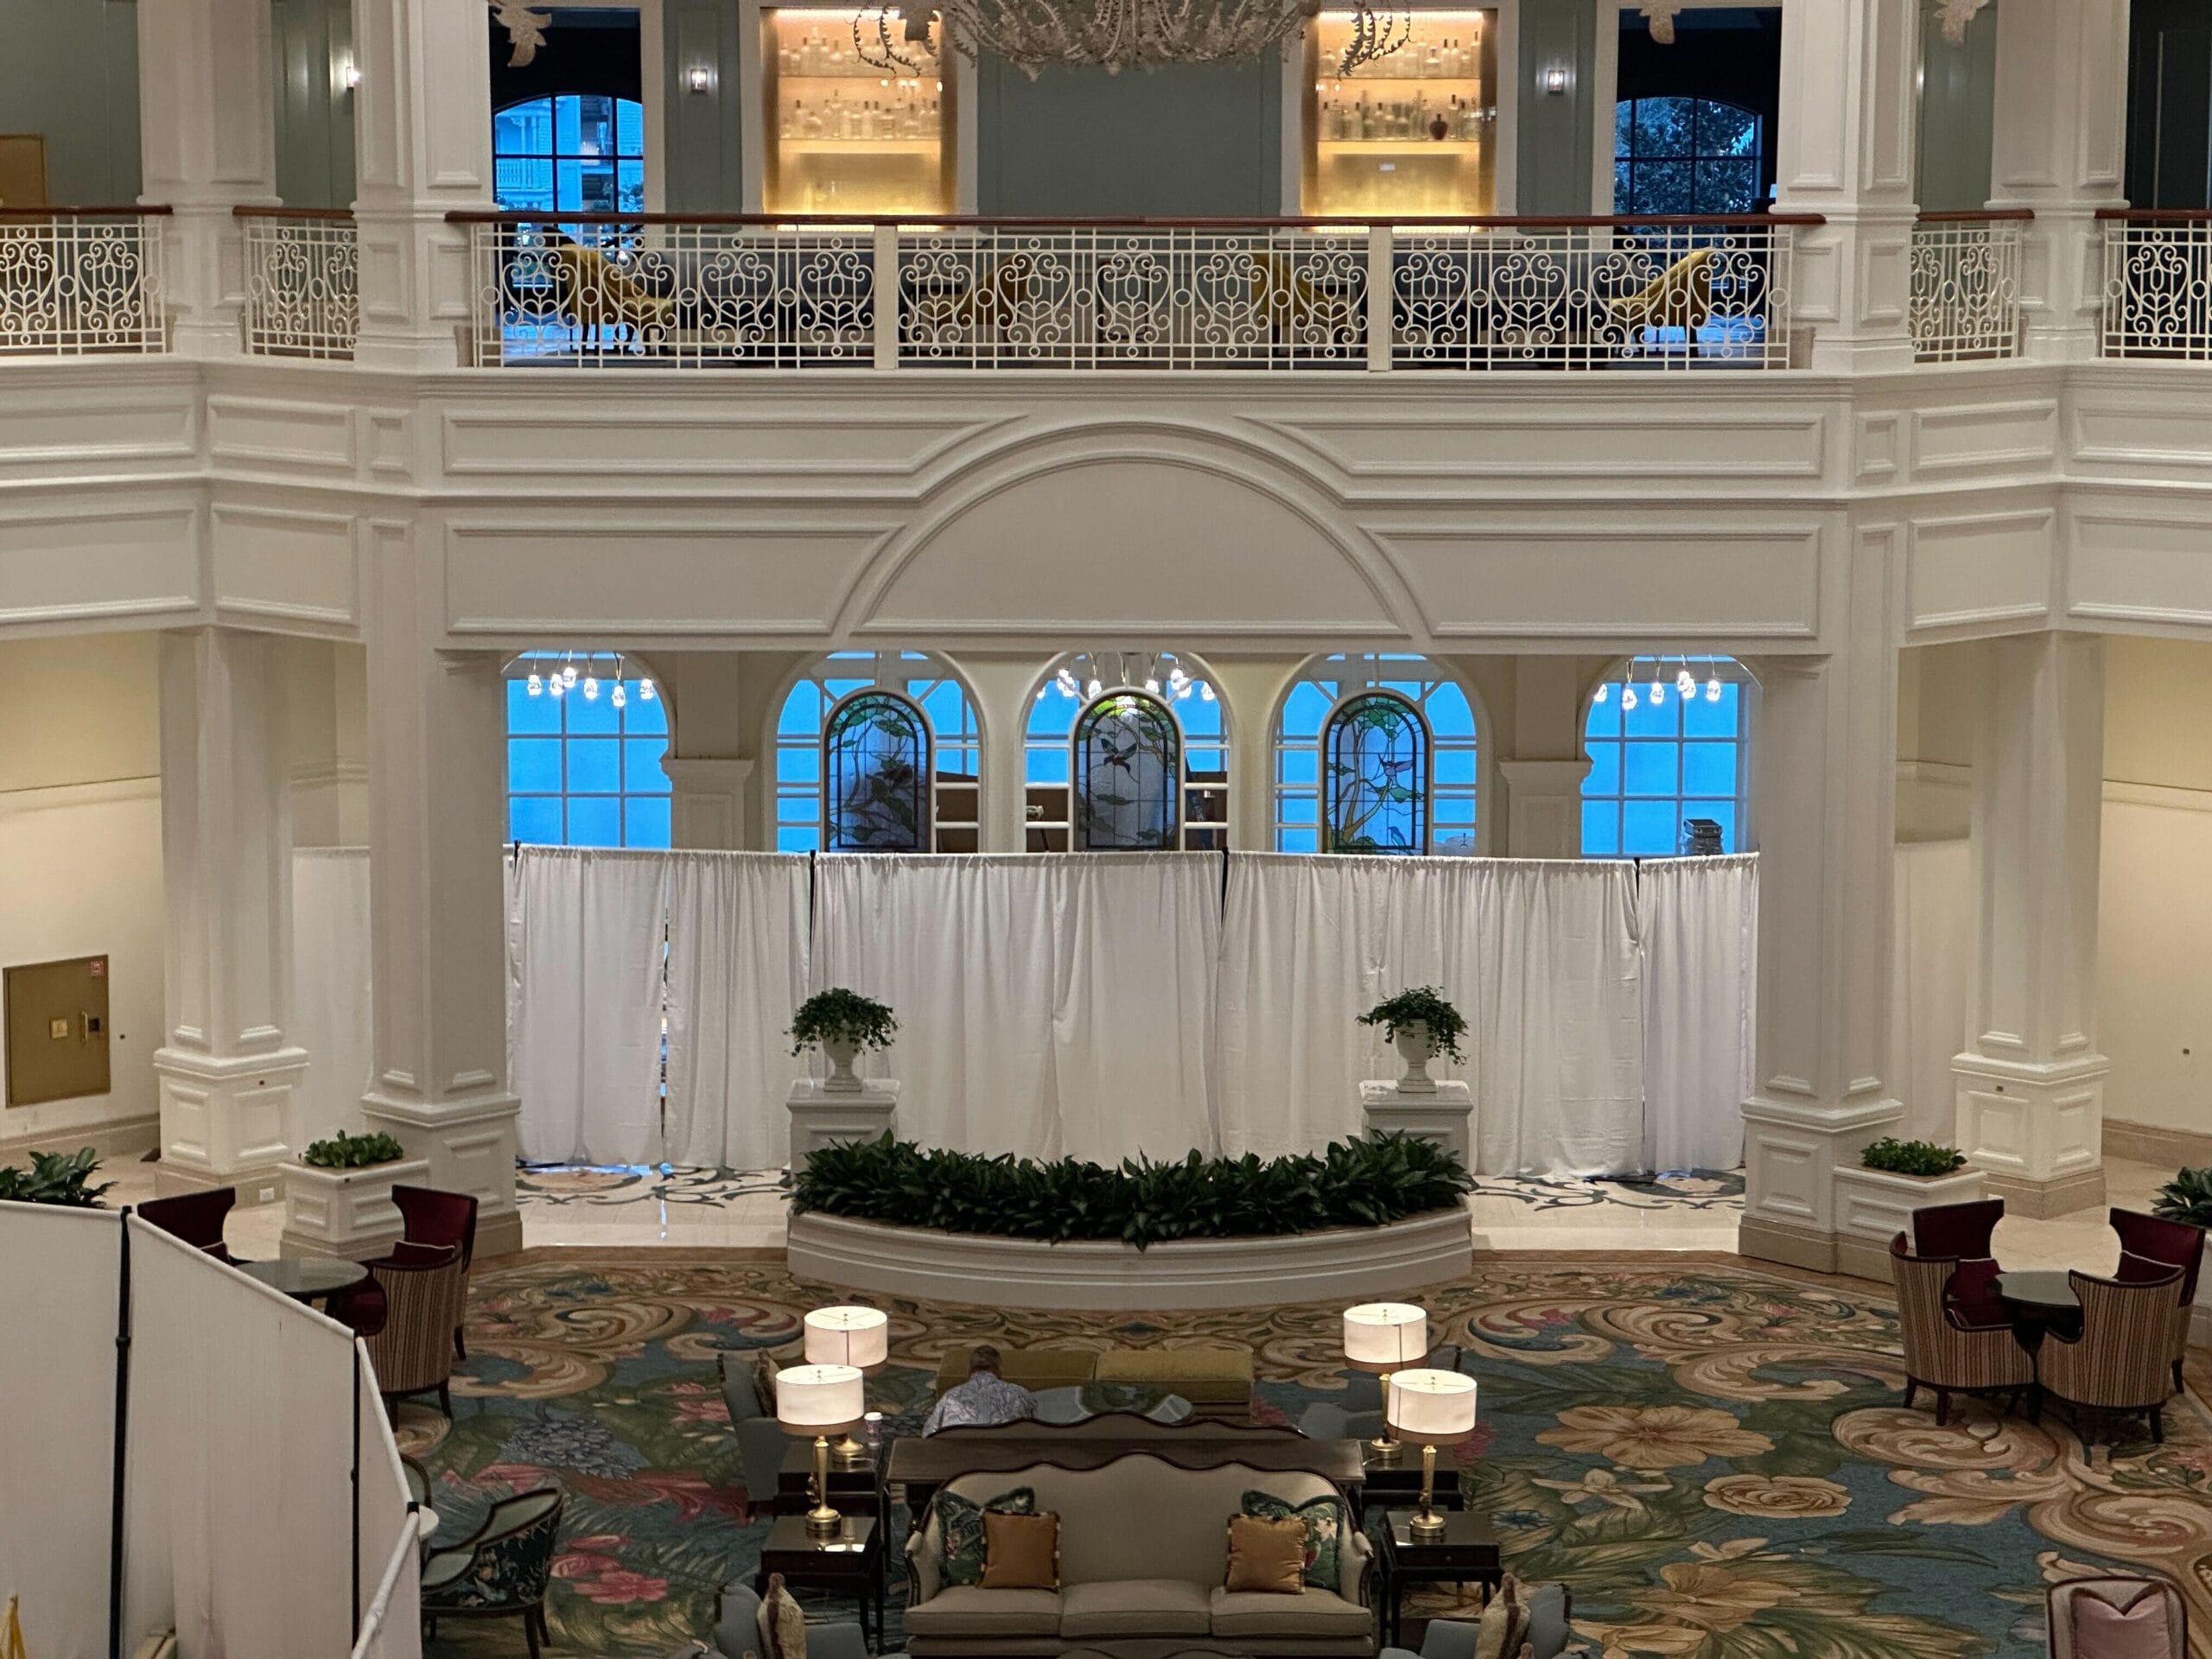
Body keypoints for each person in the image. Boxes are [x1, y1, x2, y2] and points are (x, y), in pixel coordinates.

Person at [921, 1344, 1038, 1436]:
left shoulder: (950, 1396)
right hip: (1009, 1456)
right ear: (998, 1371)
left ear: (969, 1372)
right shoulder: (1020, 1393)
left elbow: (929, 1433)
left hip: (960, 1457)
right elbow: (1036, 1427)